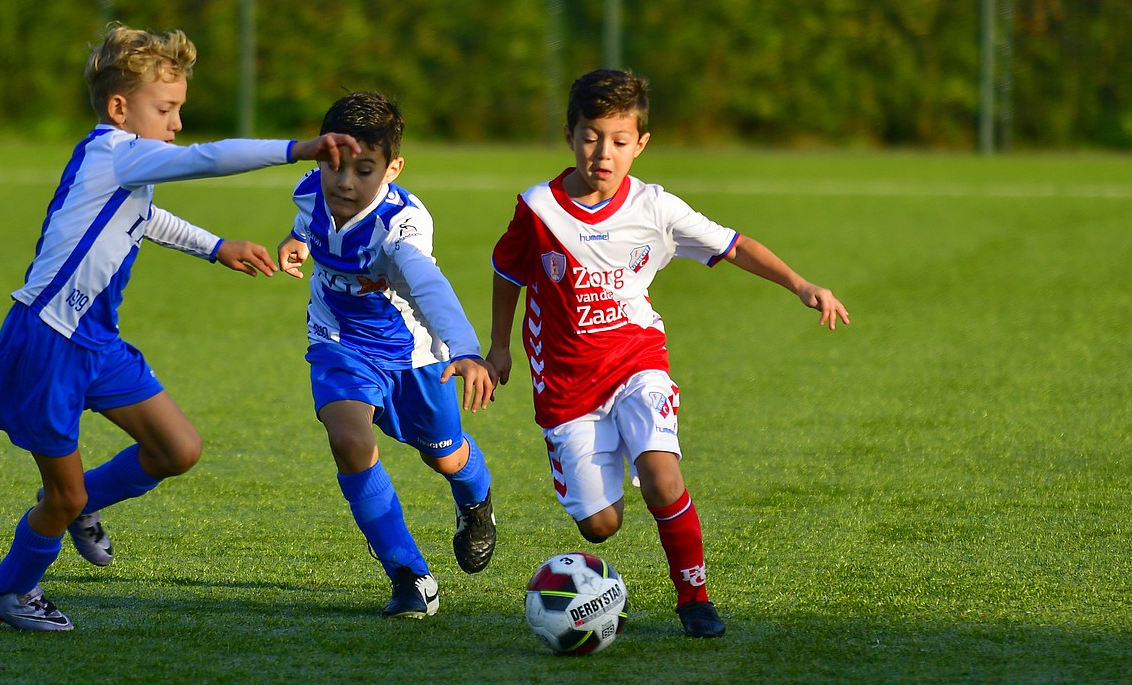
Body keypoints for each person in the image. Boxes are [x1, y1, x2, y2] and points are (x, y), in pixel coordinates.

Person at [0, 23, 360, 632]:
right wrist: (298, 148)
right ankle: (10, 591)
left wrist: (216, 247)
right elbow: (204, 159)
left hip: (95, 341)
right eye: (167, 108)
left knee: (176, 449)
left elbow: (145, 218)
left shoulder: (124, 165)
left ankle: (79, 507)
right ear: (119, 108)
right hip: (48, 341)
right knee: (64, 495)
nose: (177, 122)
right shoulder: (112, 151)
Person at [487, 69, 849, 638]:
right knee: (600, 526)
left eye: (619, 140)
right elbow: (507, 269)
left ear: (641, 144)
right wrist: (498, 348)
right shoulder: (539, 208)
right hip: (565, 385)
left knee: (662, 477)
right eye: (590, 135)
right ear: (569, 135)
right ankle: (601, 547)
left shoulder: (656, 208)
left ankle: (694, 596)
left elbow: (734, 245)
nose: (602, 152)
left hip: (637, 363)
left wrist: (802, 285)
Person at [277, 91, 498, 619]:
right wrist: (296, 243)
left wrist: (466, 350)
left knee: (445, 455)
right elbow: (309, 223)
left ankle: (476, 503)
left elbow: (428, 284)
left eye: (365, 169)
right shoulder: (309, 191)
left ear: (392, 169)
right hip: (338, 342)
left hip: (416, 354)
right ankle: (409, 575)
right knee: (349, 439)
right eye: (335, 166)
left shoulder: (402, 227)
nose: (345, 183)